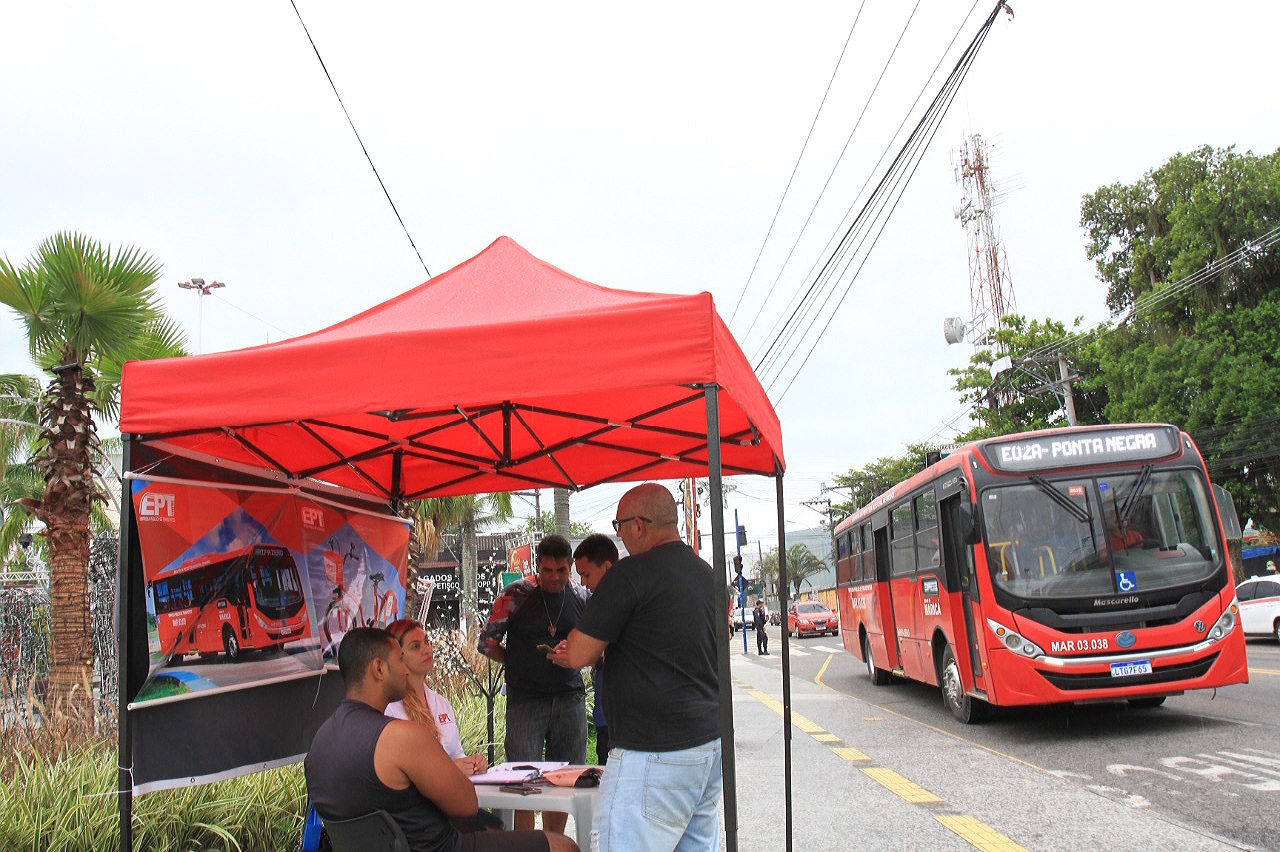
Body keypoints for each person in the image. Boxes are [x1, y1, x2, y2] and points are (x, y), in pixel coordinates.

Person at [550, 483, 722, 852]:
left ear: (640, 525)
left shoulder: (629, 574)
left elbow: (579, 652)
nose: (619, 534)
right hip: (708, 743)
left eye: (620, 524)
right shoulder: (707, 575)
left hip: (652, 751)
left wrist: (574, 650)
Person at [304, 627, 574, 852]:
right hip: (440, 848)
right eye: (399, 660)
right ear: (378, 669)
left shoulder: (319, 744)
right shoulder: (399, 736)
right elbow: (466, 804)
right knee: (563, 846)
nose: (405, 671)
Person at [479, 534, 590, 834]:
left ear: (570, 568)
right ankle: (525, 845)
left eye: (561, 571)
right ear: (537, 567)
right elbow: (486, 643)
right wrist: (515, 661)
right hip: (525, 702)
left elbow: (597, 645)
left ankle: (554, 842)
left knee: (566, 780)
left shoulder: (581, 597)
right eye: (547, 571)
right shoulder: (515, 594)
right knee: (520, 783)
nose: (554, 578)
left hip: (570, 699)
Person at [385, 618, 488, 776]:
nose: (427, 650)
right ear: (397, 656)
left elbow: (456, 754)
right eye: (415, 647)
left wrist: (473, 763)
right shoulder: (390, 709)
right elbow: (399, 772)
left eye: (427, 642)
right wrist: (450, 769)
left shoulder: (441, 703)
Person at [571, 533, 619, 765]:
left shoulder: (620, 603)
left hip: (622, 721)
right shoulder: (597, 602)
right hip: (606, 715)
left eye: (586, 575)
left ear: (607, 567)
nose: (583, 584)